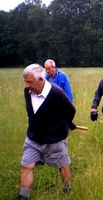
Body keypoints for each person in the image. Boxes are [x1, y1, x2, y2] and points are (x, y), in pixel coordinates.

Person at [17, 64, 77, 200]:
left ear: (41, 80)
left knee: (61, 165)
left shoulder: (56, 93)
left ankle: (67, 190)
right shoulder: (27, 91)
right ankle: (23, 196)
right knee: (26, 165)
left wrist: (63, 124)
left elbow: (70, 111)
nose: (27, 86)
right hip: (34, 138)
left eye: (29, 82)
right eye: (26, 82)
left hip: (55, 138)